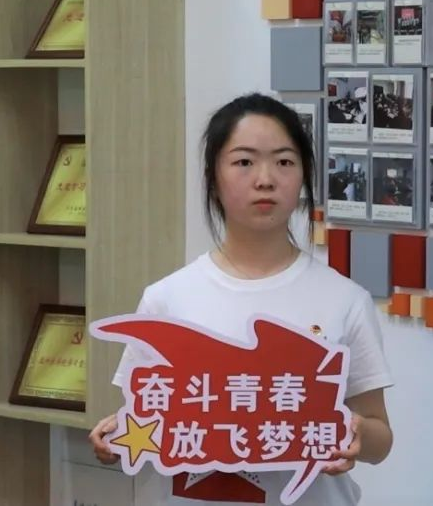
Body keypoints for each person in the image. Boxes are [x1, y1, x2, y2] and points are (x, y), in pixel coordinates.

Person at [87, 93, 395, 505]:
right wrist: (114, 438)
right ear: (213, 177)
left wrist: (354, 433)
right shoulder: (167, 298)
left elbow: (380, 437)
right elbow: (144, 420)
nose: (265, 179)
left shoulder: (344, 299)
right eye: (244, 162)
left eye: (284, 162)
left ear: (303, 176)